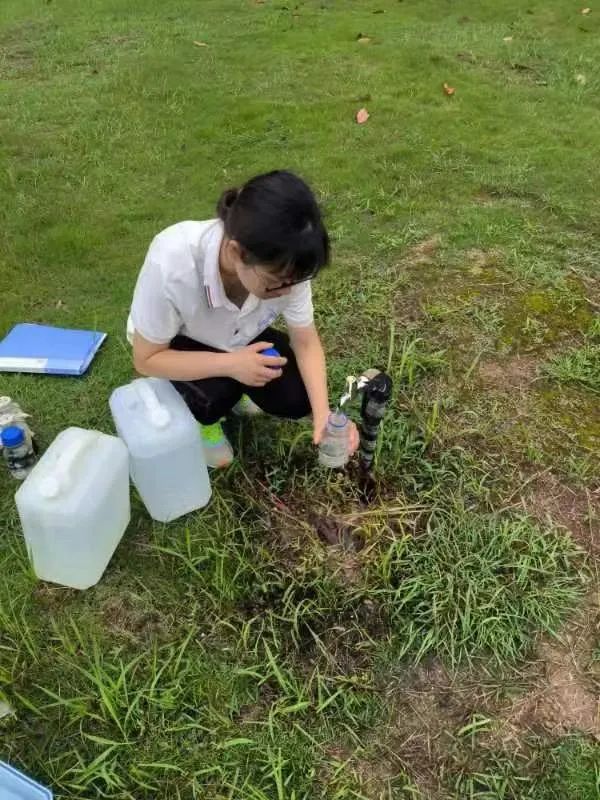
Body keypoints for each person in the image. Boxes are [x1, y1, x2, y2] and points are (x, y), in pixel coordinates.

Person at [128, 170, 359, 467]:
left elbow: (305, 341)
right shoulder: (172, 262)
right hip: (175, 342)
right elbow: (146, 359)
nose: (288, 291)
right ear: (236, 252)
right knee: (216, 392)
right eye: (276, 283)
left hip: (238, 334)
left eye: (296, 281)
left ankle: (238, 387)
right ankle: (205, 421)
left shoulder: (287, 265)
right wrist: (231, 365)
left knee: (298, 397)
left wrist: (323, 413)